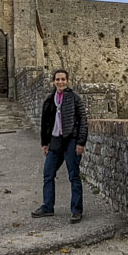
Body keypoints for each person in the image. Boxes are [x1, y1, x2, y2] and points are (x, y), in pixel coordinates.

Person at [32, 69, 88, 223]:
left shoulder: (75, 98)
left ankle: (76, 210)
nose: (60, 82)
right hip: (55, 141)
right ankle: (47, 207)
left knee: (74, 176)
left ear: (67, 81)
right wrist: (44, 143)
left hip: (71, 141)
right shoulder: (50, 100)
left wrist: (80, 142)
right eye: (58, 79)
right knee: (48, 174)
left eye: (63, 79)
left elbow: (83, 121)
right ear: (54, 81)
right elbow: (46, 123)